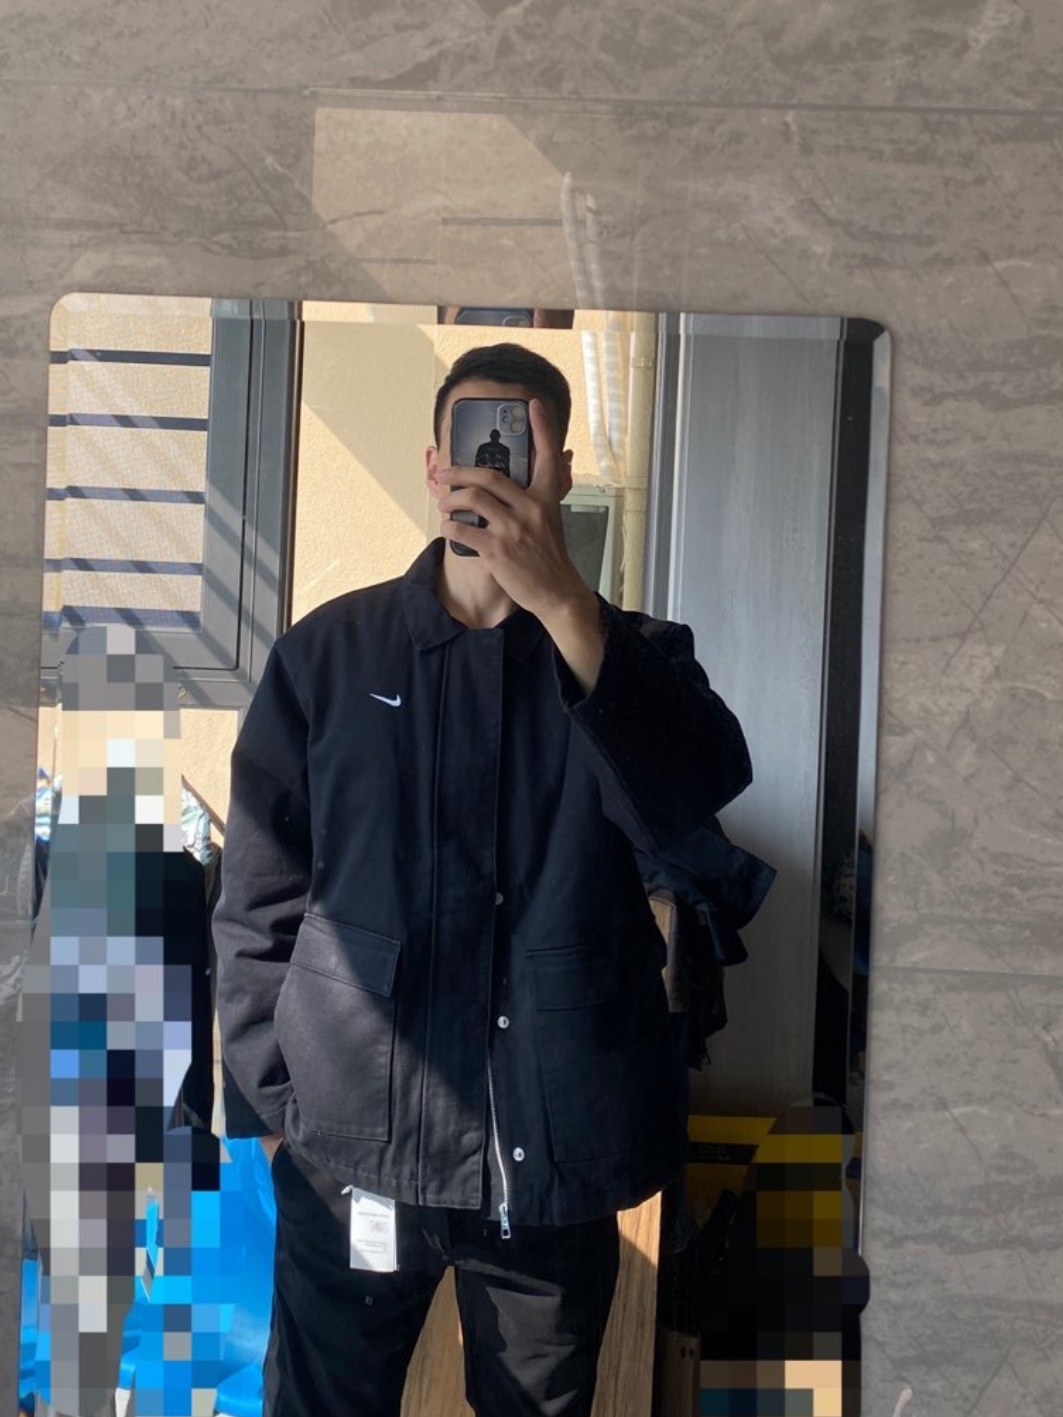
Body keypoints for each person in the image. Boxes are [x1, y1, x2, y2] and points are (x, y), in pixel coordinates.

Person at [212, 343, 753, 1417]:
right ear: (433, 467)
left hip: (551, 1161)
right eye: (474, 442)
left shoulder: (635, 656)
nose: (495, 466)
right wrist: (276, 1109)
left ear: (560, 470)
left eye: (522, 445)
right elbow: (258, 897)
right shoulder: (330, 655)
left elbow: (697, 799)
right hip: (350, 1150)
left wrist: (567, 610)